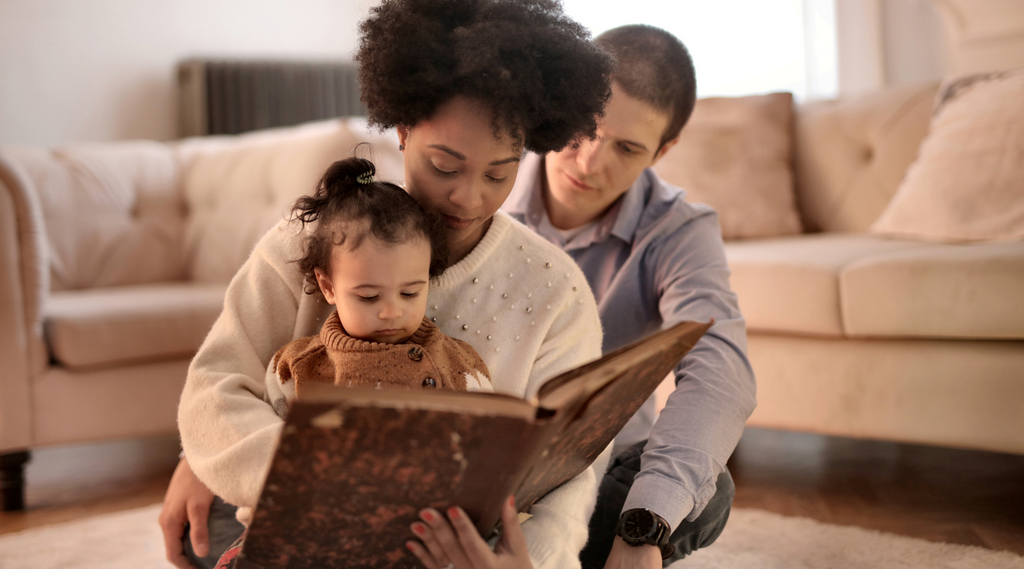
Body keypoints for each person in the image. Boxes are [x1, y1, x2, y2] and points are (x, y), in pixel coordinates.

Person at [160, 1, 615, 568]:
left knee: (638, 492)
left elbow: (571, 461)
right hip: (305, 517)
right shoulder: (308, 242)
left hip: (469, 547)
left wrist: (531, 561)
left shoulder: (554, 288)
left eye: (500, 173)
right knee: (194, 531)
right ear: (402, 131)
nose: (469, 198)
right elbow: (216, 387)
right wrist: (312, 485)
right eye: (445, 165)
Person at [501, 25, 757, 569]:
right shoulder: (485, 186)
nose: (590, 163)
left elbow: (721, 369)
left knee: (707, 493)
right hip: (481, 462)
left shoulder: (678, 230)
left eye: (627, 148)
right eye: (585, 129)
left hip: (596, 471)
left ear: (664, 151)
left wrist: (645, 527)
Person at [262, 157, 494, 425]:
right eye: (369, 297)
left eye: (409, 294)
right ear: (328, 287)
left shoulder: (461, 362)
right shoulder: (297, 368)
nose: (391, 312)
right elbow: (278, 446)